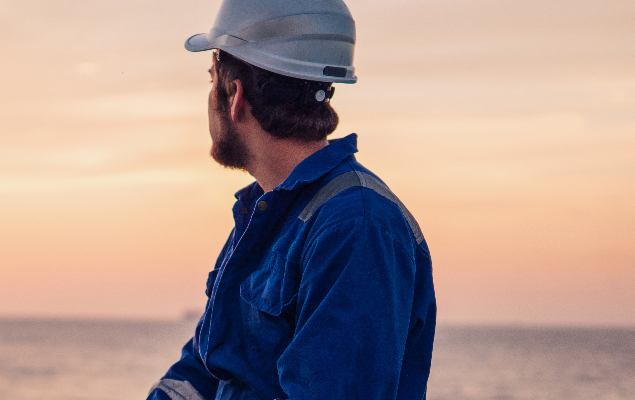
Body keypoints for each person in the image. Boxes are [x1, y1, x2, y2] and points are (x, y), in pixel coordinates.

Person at [146, 1, 436, 399]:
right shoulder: (266, 215)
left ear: (234, 95)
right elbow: (203, 368)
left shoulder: (356, 226)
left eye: (211, 77)